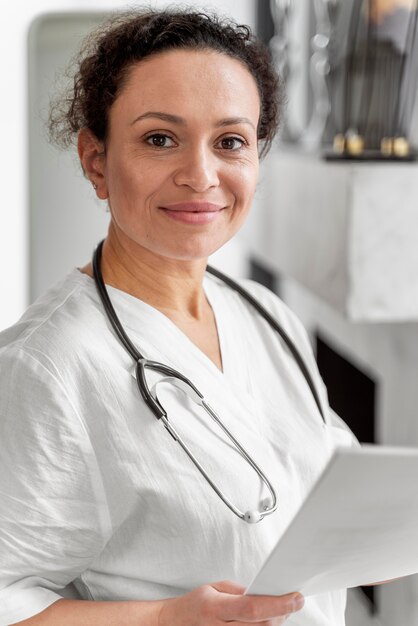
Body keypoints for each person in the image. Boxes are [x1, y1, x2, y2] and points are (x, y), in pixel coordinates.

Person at [0, 8, 356, 625]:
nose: (201, 175)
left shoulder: (266, 315)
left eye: (230, 142)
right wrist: (163, 618)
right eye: (160, 139)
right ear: (95, 161)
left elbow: (327, 489)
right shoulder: (44, 367)